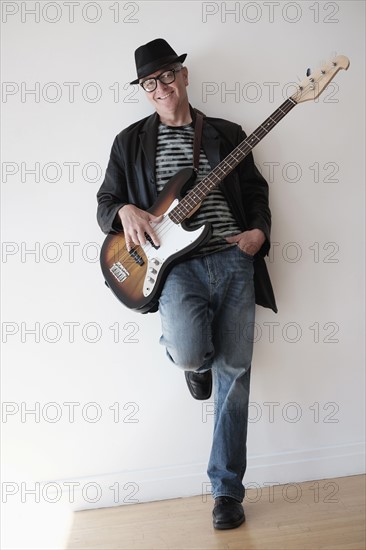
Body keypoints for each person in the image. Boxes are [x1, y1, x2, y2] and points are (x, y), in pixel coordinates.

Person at [97, 38, 277, 530]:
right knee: (192, 351)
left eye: (169, 75)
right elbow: (105, 201)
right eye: (151, 82)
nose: (162, 88)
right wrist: (123, 210)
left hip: (233, 259)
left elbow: (257, 190)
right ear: (144, 89)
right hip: (176, 270)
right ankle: (192, 365)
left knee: (235, 374)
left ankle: (226, 491)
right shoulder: (129, 142)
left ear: (185, 75)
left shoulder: (227, 134)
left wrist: (259, 231)